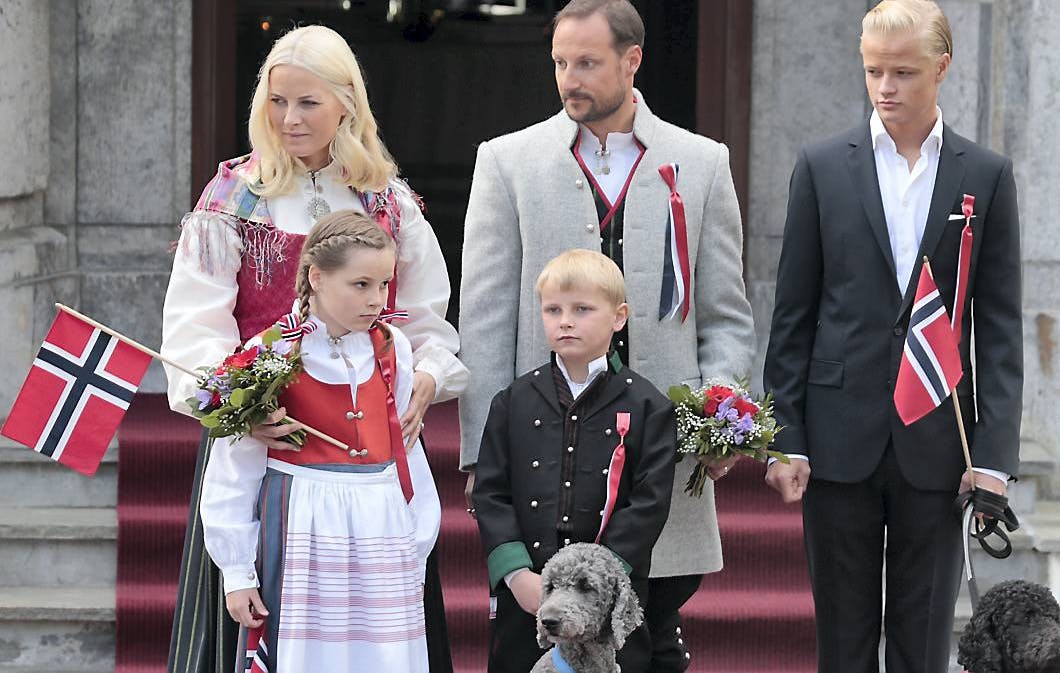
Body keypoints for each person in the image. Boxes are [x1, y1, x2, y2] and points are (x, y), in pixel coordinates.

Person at [161, 25, 467, 673]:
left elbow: (423, 317)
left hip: (370, 466)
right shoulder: (233, 198)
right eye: (277, 102)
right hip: (266, 459)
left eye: (308, 103)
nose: (289, 119)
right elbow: (195, 329)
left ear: (346, 105)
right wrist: (240, 411)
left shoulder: (388, 202)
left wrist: (428, 378)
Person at [457, 2, 755, 668]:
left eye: (587, 62)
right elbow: (482, 312)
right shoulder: (507, 161)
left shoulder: (700, 163)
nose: (569, 78)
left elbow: (726, 312)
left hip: (656, 457)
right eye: (560, 62)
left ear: (632, 60)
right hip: (544, 460)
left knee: (649, 635)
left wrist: (721, 417)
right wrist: (481, 449)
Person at [763, 1, 1023, 672]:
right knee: (842, 642)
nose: (886, 88)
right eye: (874, 71)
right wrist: (784, 434)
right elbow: (793, 312)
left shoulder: (985, 175)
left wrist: (993, 454)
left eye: (904, 72)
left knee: (923, 638)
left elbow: (997, 326)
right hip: (836, 434)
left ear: (942, 68)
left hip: (938, 437)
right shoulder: (821, 166)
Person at [200, 211, 443, 672]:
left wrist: (417, 543)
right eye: (361, 284)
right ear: (316, 276)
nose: (377, 299)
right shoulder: (273, 353)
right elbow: (233, 471)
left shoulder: (393, 348)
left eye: (384, 284)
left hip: (382, 532)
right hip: (304, 533)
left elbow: (406, 454)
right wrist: (236, 571)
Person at [472, 249, 678, 673]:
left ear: (618, 316)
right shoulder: (512, 402)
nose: (565, 320)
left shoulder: (648, 405)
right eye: (553, 309)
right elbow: (491, 492)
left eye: (582, 309)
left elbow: (650, 501)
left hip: (608, 597)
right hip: (531, 596)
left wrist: (602, 578)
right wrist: (517, 575)